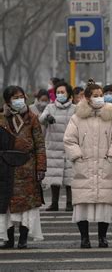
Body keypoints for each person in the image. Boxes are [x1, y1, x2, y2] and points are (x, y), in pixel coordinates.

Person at [63, 80, 112, 249]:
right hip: (84, 165)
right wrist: (77, 156)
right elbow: (69, 140)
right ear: (87, 98)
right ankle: (84, 238)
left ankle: (103, 237)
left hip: (105, 164)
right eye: (95, 96)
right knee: (83, 203)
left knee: (104, 203)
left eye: (101, 95)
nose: (99, 98)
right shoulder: (77, 118)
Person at [0, 86, 47, 249]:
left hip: (28, 167)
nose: (19, 100)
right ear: (8, 101)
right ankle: (9, 238)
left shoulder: (32, 118)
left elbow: (40, 144)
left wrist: (41, 167)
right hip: (6, 168)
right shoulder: (1, 119)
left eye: (21, 96)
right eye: (15, 97)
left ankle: (23, 239)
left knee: (27, 206)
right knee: (7, 205)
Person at [40, 82, 76, 212]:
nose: (60, 95)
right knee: (54, 176)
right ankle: (54, 203)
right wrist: (47, 118)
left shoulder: (75, 109)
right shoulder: (50, 107)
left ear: (69, 94)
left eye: (63, 92)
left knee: (70, 176)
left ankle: (70, 203)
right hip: (54, 146)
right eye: (58, 93)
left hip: (70, 146)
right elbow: (41, 118)